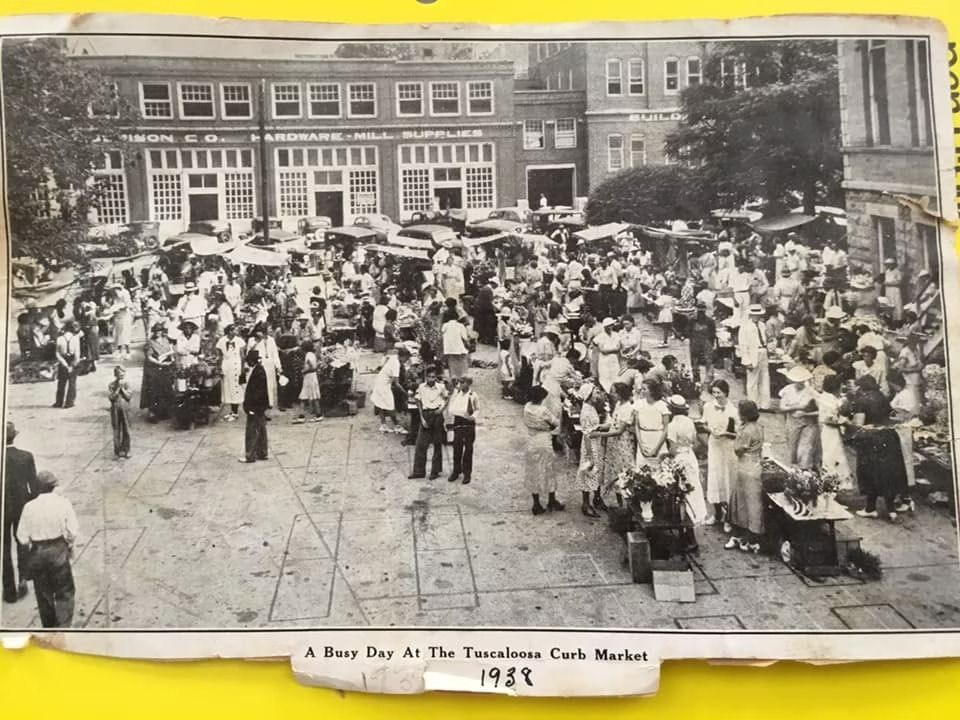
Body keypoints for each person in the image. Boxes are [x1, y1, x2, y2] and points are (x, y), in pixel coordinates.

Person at [16, 471, 79, 628]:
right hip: (58, 549)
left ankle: (49, 628)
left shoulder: (29, 507)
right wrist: (68, 544)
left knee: (43, 594)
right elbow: (73, 530)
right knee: (65, 591)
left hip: (38, 552)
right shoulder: (63, 503)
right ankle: (63, 627)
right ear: (53, 487)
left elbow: (22, 537)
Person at [847, 375, 907, 520]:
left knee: (870, 472)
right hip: (888, 437)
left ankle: (870, 508)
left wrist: (847, 423)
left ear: (861, 387)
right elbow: (890, 415)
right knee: (887, 472)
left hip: (871, 438)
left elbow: (859, 423)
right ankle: (891, 509)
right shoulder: (882, 397)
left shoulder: (861, 400)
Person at [3, 422, 37, 604]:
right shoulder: (26, 457)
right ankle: (23, 578)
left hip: (2, 508)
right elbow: (34, 486)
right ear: (14, 436)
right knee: (22, 542)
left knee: (3, 548)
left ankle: (9, 591)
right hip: (21, 506)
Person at [726, 400, 764, 553]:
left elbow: (738, 450)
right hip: (755, 466)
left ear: (745, 415)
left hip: (745, 467)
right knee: (752, 501)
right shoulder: (758, 427)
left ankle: (745, 534)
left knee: (742, 501)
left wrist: (737, 438)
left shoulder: (746, 430)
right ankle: (750, 533)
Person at [522, 385, 566, 516]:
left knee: (533, 471)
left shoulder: (527, 407)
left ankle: (536, 503)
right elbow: (556, 423)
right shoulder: (543, 410)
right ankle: (551, 500)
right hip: (544, 440)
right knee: (549, 470)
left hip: (531, 439)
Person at [665, 395, 708, 527]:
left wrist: (664, 456)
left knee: (681, 488)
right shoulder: (689, 422)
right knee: (693, 486)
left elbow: (672, 450)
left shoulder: (672, 426)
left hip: (679, 458)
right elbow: (695, 443)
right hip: (690, 456)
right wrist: (687, 450)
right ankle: (698, 515)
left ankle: (686, 517)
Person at [702, 379, 738, 527]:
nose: (716, 395)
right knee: (714, 479)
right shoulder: (708, 406)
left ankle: (728, 518)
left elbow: (737, 434)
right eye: (714, 392)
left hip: (727, 448)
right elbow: (704, 424)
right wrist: (710, 430)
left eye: (719, 393)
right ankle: (716, 514)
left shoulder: (733, 411)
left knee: (727, 480)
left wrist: (725, 433)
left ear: (726, 393)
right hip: (714, 446)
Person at [595, 382, 637, 505]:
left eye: (614, 392)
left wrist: (600, 435)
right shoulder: (619, 404)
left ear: (620, 394)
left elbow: (619, 430)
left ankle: (629, 505)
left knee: (624, 472)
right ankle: (620, 504)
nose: (612, 394)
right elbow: (614, 423)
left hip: (623, 443)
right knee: (615, 472)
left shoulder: (628, 408)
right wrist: (601, 426)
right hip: (614, 443)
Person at [409, 366, 449, 480]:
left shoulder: (440, 387)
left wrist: (442, 409)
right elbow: (418, 401)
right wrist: (421, 418)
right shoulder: (421, 387)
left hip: (437, 415)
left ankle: (435, 471)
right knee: (421, 444)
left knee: (437, 443)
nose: (431, 379)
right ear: (425, 377)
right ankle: (418, 471)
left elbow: (447, 397)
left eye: (433, 377)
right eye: (429, 377)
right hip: (426, 415)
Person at [778, 365, 820, 468]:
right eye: (798, 381)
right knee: (791, 449)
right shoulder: (787, 390)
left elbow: (821, 410)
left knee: (804, 449)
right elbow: (782, 407)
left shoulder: (811, 391)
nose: (800, 383)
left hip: (808, 423)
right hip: (792, 422)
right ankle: (792, 472)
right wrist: (798, 407)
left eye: (802, 381)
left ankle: (804, 469)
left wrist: (806, 413)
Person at [817, 374, 854, 490]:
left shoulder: (828, 397)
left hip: (832, 431)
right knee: (832, 455)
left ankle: (835, 482)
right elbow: (828, 419)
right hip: (829, 431)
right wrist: (844, 422)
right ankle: (832, 482)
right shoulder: (827, 400)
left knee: (835, 455)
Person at [575, 382, 606, 517]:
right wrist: (590, 456)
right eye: (595, 393)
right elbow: (588, 434)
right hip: (590, 445)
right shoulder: (586, 411)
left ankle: (597, 498)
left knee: (596, 471)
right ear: (588, 395)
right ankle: (586, 504)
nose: (598, 395)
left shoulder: (591, 407)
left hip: (596, 443)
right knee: (589, 471)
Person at [447, 376, 479, 485]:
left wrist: (472, 417)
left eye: (463, 382)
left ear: (468, 383)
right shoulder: (457, 394)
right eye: (460, 382)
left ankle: (467, 473)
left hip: (468, 423)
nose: (460, 384)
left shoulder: (473, 395)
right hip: (458, 421)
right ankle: (456, 471)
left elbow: (477, 409)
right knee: (457, 447)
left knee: (468, 448)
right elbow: (451, 408)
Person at [240, 349, 270, 463]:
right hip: (260, 406)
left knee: (252, 430)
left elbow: (257, 392)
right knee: (261, 428)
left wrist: (251, 407)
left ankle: (250, 455)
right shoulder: (259, 370)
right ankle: (262, 452)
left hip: (255, 406)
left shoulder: (258, 372)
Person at [738, 304, 770, 410]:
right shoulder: (745, 327)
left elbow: (765, 338)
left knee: (765, 379)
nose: (756, 317)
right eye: (754, 315)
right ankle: (753, 405)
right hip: (753, 354)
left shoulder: (762, 325)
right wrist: (747, 361)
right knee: (752, 382)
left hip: (763, 352)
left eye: (758, 315)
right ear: (750, 315)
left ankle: (764, 405)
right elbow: (743, 346)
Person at [634, 379, 669, 466]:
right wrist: (641, 446)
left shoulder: (662, 405)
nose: (641, 391)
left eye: (644, 389)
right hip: (643, 438)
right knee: (642, 470)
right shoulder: (639, 404)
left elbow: (666, 429)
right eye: (641, 389)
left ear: (652, 391)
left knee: (660, 470)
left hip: (658, 439)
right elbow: (636, 426)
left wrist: (656, 449)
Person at [215, 324, 245, 422]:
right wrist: (219, 368)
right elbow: (219, 355)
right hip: (226, 365)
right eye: (234, 330)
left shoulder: (239, 341)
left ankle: (235, 413)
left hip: (236, 365)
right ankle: (232, 411)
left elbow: (242, 356)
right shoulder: (222, 341)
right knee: (228, 388)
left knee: (235, 388)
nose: (236, 331)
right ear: (229, 331)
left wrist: (243, 369)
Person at [53, 321, 81, 409]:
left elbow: (57, 353)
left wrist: (64, 364)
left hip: (63, 360)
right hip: (72, 360)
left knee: (61, 382)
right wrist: (72, 365)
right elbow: (77, 354)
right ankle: (69, 402)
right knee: (72, 382)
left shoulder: (59, 339)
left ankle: (59, 402)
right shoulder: (75, 338)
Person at [294, 340, 324, 424]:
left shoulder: (308, 355)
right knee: (314, 396)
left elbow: (312, 366)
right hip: (312, 377)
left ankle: (301, 417)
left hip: (309, 377)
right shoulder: (312, 355)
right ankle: (318, 415)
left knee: (304, 396)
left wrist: (304, 370)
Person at [688, 303, 717, 384]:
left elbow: (713, 334)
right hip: (695, 343)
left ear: (705, 311)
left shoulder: (710, 321)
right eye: (699, 312)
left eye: (702, 312)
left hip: (706, 343)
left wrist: (711, 345)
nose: (700, 314)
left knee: (708, 361)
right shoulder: (692, 320)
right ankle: (696, 380)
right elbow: (688, 332)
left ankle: (709, 380)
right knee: (695, 362)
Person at [108, 366, 132, 459]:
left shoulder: (127, 384)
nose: (121, 376)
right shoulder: (112, 385)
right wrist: (118, 389)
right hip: (115, 409)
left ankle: (127, 450)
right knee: (116, 430)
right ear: (115, 375)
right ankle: (117, 451)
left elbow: (128, 397)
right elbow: (111, 397)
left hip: (125, 409)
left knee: (127, 429)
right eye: (119, 374)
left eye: (123, 374)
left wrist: (122, 389)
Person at [441, 308, 471, 380]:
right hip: (459, 347)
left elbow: (442, 334)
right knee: (462, 361)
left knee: (452, 362)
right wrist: (468, 344)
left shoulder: (445, 325)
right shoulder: (460, 325)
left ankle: (453, 376)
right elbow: (465, 338)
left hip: (448, 348)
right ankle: (463, 375)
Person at [594, 318, 621, 393]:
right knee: (605, 377)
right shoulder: (601, 336)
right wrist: (613, 349)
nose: (610, 327)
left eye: (611, 325)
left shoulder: (616, 335)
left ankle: (615, 392)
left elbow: (618, 348)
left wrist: (609, 350)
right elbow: (602, 351)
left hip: (613, 359)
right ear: (604, 327)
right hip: (604, 360)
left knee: (615, 376)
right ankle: (607, 393)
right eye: (608, 326)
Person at [882, 257, 904, 322]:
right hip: (888, 290)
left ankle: (897, 319)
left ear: (894, 264)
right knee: (889, 304)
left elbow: (899, 282)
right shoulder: (887, 272)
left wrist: (889, 283)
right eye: (888, 264)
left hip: (895, 290)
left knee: (896, 303)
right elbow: (886, 281)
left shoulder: (897, 272)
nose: (889, 266)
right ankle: (889, 318)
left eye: (891, 264)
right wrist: (885, 283)